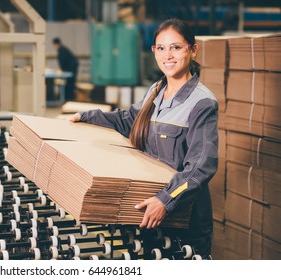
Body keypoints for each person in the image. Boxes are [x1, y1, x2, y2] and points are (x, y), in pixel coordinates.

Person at [69, 18, 218, 259]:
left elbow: (201, 166)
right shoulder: (156, 90)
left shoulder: (201, 103)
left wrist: (165, 200)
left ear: (193, 49)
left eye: (176, 47)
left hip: (183, 218)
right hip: (147, 212)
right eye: (161, 48)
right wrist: (86, 116)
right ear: (153, 51)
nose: (167, 55)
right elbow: (129, 120)